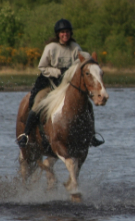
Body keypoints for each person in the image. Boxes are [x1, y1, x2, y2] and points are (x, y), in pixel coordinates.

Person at [16, 19, 104, 148]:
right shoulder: (50, 48)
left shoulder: (75, 47)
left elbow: (83, 57)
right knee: (38, 103)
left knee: (88, 106)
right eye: (62, 32)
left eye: (67, 32)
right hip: (49, 83)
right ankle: (26, 135)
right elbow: (42, 66)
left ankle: (91, 135)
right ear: (58, 34)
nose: (65, 34)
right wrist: (57, 72)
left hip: (66, 85)